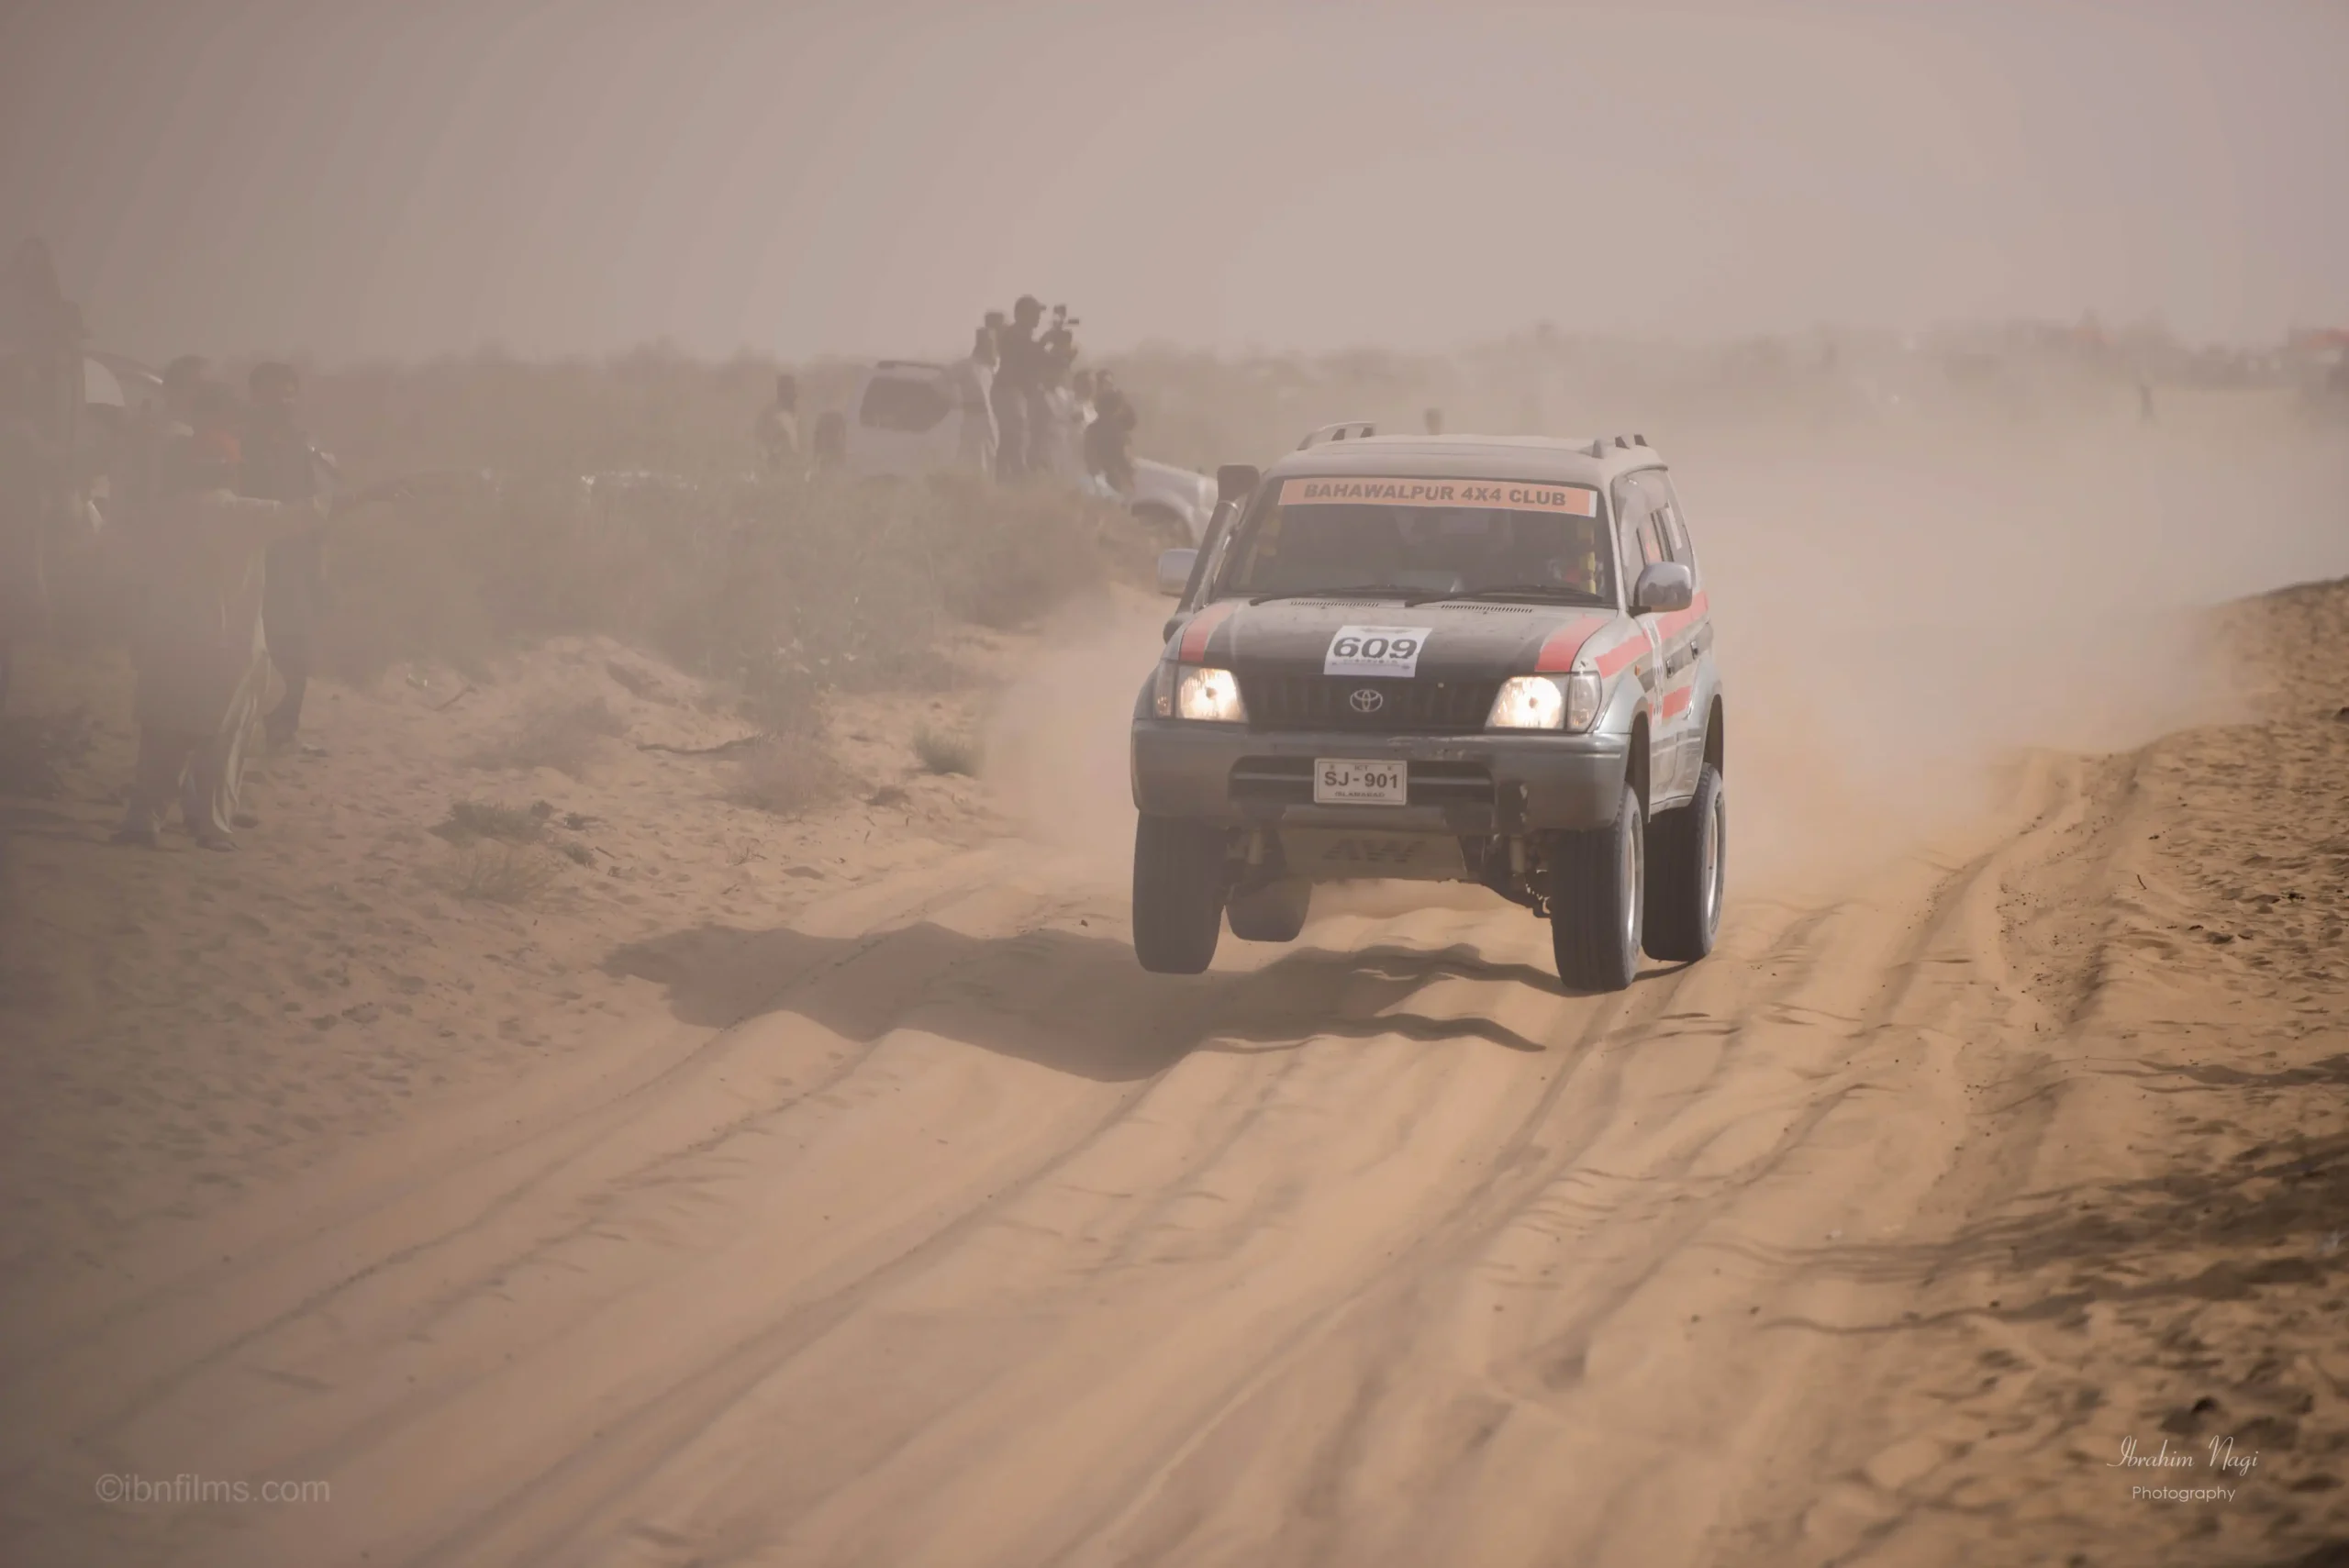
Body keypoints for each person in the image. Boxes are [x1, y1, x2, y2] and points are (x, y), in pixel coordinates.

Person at [112, 424, 402, 850]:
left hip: (166, 643)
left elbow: (133, 577)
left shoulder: (161, 516)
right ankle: (213, 827)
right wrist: (372, 494)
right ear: (230, 471)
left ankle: (143, 822)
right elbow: (313, 510)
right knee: (224, 742)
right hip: (227, 651)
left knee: (160, 738)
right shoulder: (243, 515)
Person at [241, 362, 325, 749]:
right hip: (252, 557)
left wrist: (317, 563)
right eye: (276, 393)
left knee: (294, 646)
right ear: (256, 396)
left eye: (290, 394)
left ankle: (283, 729)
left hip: (295, 561)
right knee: (251, 645)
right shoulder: (242, 443)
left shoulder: (301, 443)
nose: (284, 401)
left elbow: (314, 502)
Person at [990, 300, 1041, 482]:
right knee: (1014, 433)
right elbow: (1025, 353)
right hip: (1008, 389)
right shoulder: (1013, 335)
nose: (1038, 318)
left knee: (1012, 435)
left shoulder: (1022, 336)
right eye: (1033, 313)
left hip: (1017, 391)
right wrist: (1043, 343)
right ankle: (1016, 472)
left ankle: (1008, 475)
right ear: (1020, 314)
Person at [944, 327, 998, 476]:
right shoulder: (967, 365)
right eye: (989, 342)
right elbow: (942, 381)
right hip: (972, 421)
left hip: (989, 423)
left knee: (990, 462)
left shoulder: (989, 370)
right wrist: (957, 403)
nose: (992, 347)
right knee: (973, 462)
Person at [1085, 369, 1138, 494]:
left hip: (1099, 481)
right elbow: (1123, 460)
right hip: (1110, 481)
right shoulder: (1116, 433)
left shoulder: (1094, 429)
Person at [756, 373, 800, 472]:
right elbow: (760, 442)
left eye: (793, 389)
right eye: (790, 389)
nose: (794, 394)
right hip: (777, 467)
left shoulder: (797, 415)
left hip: (796, 467)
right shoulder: (769, 414)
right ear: (781, 391)